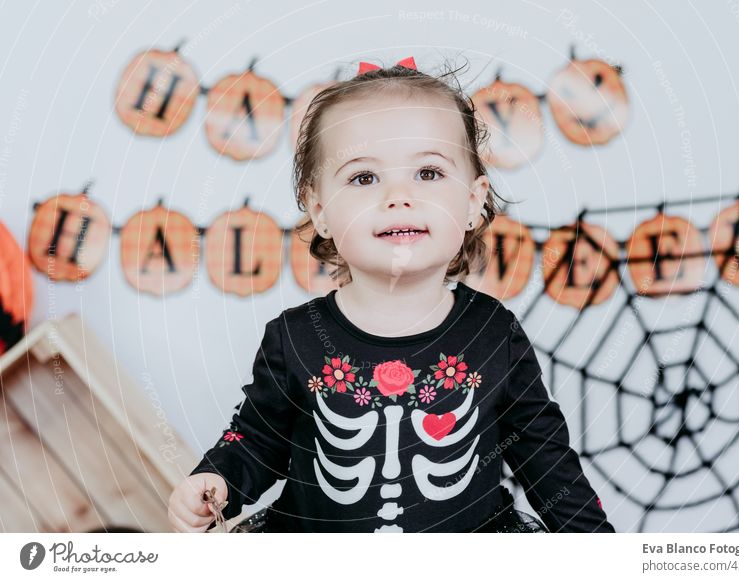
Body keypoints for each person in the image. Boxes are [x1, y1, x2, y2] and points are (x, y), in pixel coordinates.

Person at [168, 56, 615, 533]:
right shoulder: (295, 337)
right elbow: (256, 441)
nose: (399, 196)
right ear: (319, 211)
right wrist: (215, 478)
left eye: (428, 173)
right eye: (364, 178)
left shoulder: (493, 332)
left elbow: (546, 460)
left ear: (472, 201)